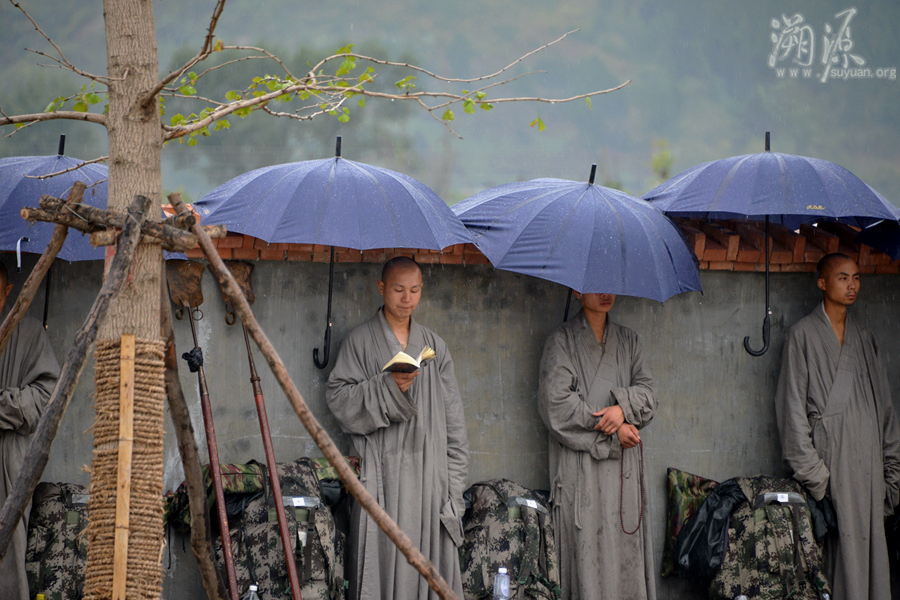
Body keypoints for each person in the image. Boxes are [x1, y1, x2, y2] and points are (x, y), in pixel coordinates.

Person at [326, 257, 469, 600]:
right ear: (382, 288)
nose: (407, 299)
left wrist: (454, 491)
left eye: (415, 290)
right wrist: (387, 387)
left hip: (430, 482)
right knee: (381, 566)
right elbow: (338, 399)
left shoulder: (434, 348)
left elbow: (454, 425)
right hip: (380, 478)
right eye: (399, 289)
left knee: (428, 572)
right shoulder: (360, 341)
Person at [774, 252, 900, 599]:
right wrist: (818, 478)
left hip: (870, 474)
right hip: (831, 471)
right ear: (822, 283)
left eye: (856, 277)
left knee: (872, 567)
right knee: (834, 565)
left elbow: (886, 411)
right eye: (843, 277)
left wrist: (891, 475)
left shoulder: (865, 337)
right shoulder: (801, 336)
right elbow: (791, 412)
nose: (852, 285)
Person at [537, 291, 658, 600]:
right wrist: (613, 429)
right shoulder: (560, 342)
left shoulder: (629, 341)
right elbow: (556, 406)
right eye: (596, 284)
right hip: (582, 472)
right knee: (585, 561)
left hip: (623, 474)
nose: (606, 293)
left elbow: (649, 394)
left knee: (626, 557)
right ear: (578, 291)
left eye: (610, 284)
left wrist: (622, 409)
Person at [0, 262, 60, 600]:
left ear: (8, 291)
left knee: (7, 554)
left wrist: (3, 405)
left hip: (8, 459)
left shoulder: (30, 333)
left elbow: (45, 399)